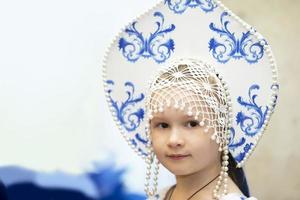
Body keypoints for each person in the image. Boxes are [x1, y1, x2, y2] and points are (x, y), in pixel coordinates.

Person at [102, 1, 279, 199]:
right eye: (162, 125)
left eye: (192, 123)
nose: (174, 140)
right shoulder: (163, 195)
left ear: (222, 128)